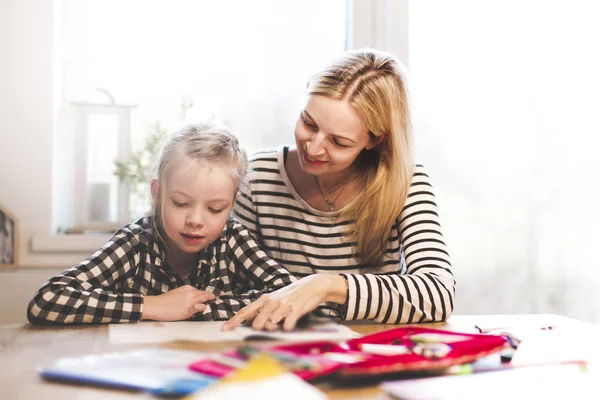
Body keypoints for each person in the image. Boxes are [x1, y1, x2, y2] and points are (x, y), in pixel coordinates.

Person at [223, 49, 455, 332]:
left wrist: (327, 285)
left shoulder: (405, 181)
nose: (314, 147)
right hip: (277, 353)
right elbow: (227, 282)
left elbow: (437, 293)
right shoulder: (258, 176)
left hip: (370, 354)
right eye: (309, 123)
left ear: (375, 140)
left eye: (339, 142)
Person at [27, 123, 296, 325]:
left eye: (215, 209)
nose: (195, 220)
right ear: (157, 193)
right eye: (180, 203)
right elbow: (47, 300)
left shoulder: (232, 238)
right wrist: (150, 306)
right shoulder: (135, 243)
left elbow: (290, 294)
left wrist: (195, 309)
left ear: (232, 204)